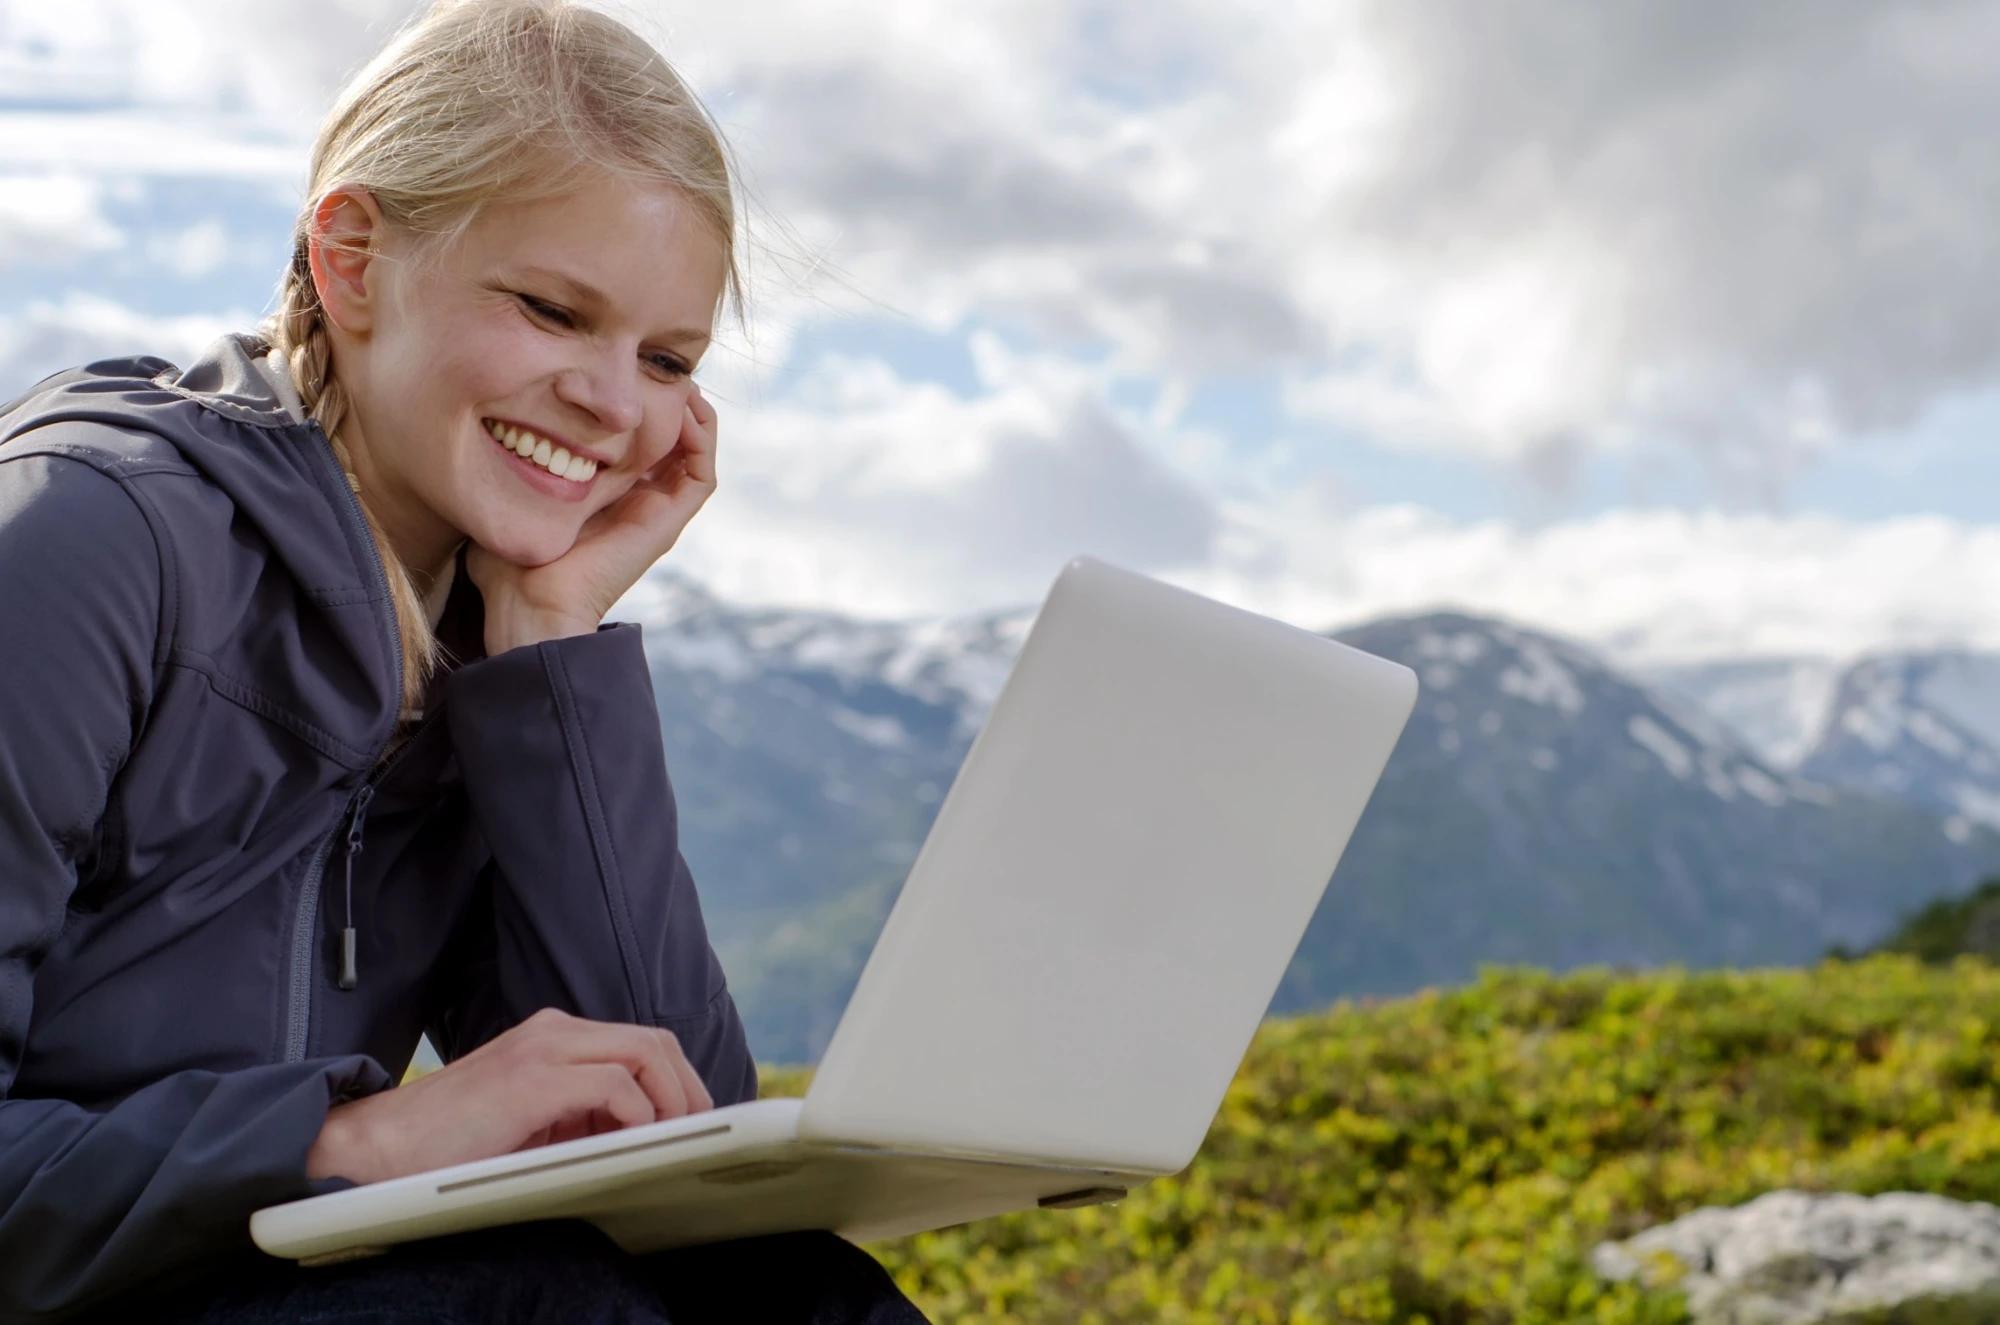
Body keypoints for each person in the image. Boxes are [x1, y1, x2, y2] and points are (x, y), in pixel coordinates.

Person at [0, 1, 930, 1320]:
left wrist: (549, 649)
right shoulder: (83, 537)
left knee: (797, 1291)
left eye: (667, 358)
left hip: (261, 1269)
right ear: (353, 257)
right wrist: (351, 1141)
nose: (616, 406)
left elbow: (677, 1142)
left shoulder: (478, 624)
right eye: (555, 311)